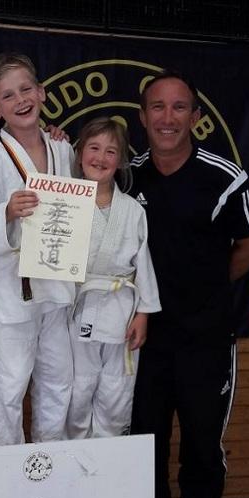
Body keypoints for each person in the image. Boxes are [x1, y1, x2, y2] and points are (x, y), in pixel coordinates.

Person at [130, 71, 249, 498]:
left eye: (180, 107)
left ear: (197, 118)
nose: (168, 118)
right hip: (145, 342)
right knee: (143, 448)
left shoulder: (228, 177)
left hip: (207, 340)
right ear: (143, 116)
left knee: (202, 449)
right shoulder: (128, 175)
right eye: (158, 107)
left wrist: (206, 285)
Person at [0, 53, 74, 446]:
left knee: (58, 386)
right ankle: (6, 483)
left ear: (42, 93)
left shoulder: (64, 149)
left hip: (58, 289)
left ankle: (50, 468)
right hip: (14, 291)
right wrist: (6, 212)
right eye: (8, 95)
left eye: (26, 89)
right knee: (7, 392)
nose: (21, 99)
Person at [66, 117, 161, 440]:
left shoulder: (133, 210)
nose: (101, 158)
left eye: (111, 151)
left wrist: (144, 313)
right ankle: (74, 464)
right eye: (93, 148)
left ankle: (106, 469)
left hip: (121, 311)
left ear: (121, 161)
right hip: (76, 308)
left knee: (116, 393)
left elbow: (143, 263)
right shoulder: (65, 203)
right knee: (77, 390)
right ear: (79, 154)